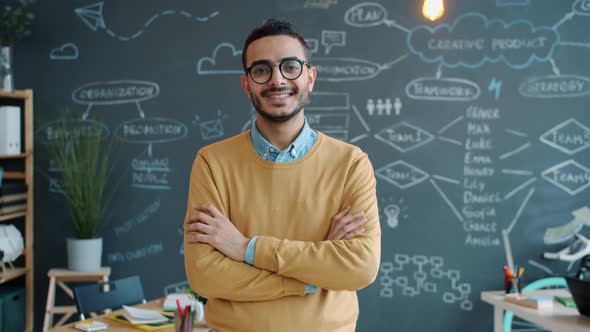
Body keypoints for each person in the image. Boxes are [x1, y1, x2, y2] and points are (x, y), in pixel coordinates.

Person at [183, 18, 381, 332]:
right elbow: (205, 276)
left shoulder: (351, 163)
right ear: (246, 84)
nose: (277, 80)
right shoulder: (212, 163)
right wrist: (312, 278)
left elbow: (361, 268)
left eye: (290, 66)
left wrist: (246, 248)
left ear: (310, 77)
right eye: (261, 70)